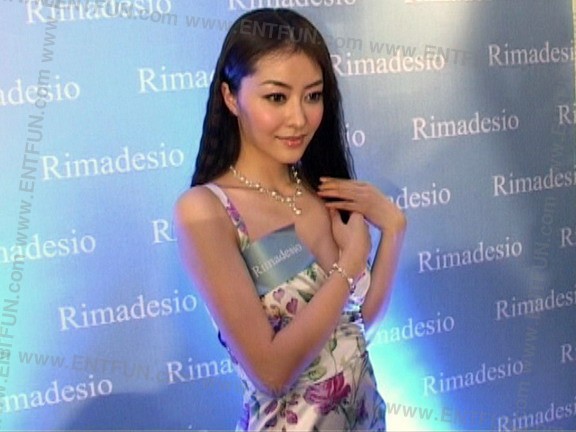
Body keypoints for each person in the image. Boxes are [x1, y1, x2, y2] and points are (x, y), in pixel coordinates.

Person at [173, 8, 406, 431]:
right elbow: (273, 373)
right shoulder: (206, 210)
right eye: (277, 97)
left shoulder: (321, 190)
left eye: (312, 96)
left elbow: (355, 328)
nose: (299, 118)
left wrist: (393, 230)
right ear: (231, 97)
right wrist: (349, 264)